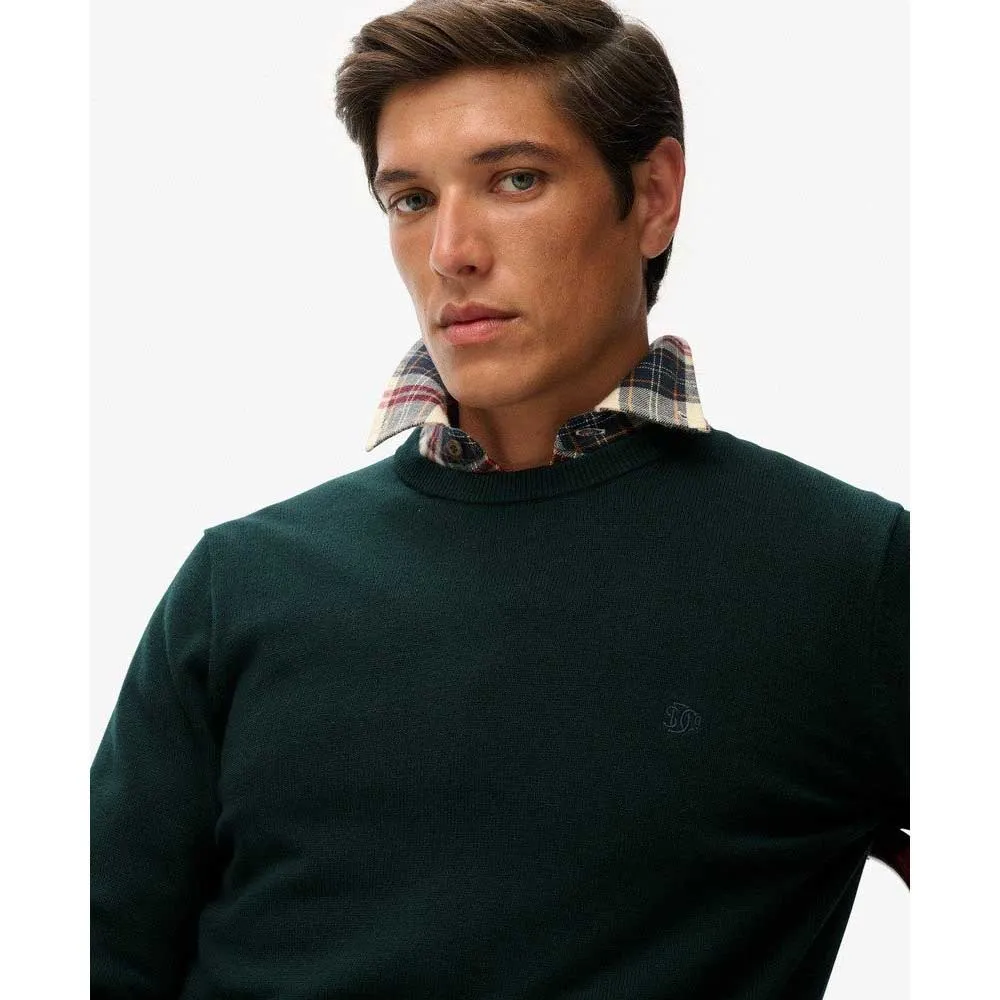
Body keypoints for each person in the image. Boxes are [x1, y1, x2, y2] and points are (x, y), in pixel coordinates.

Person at [90, 0, 909, 996]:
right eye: (410, 199)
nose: (452, 250)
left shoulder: (848, 574)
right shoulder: (241, 583)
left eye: (515, 179)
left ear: (653, 196)